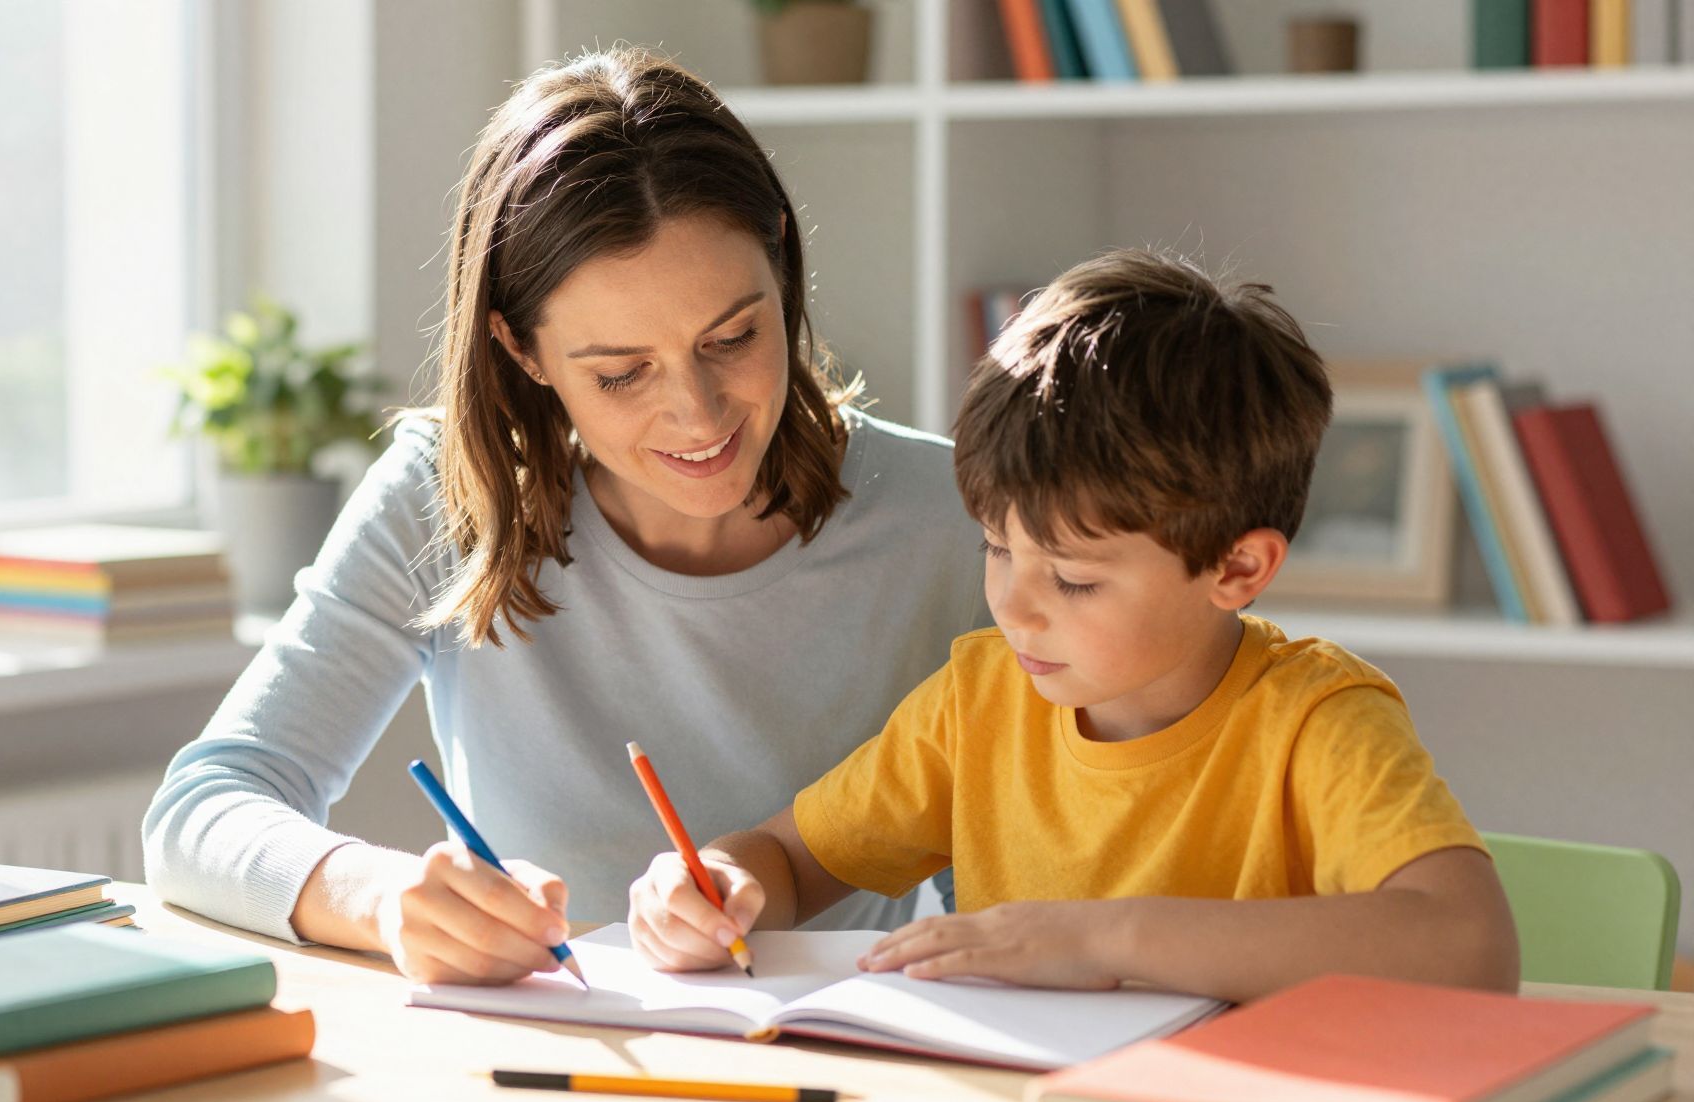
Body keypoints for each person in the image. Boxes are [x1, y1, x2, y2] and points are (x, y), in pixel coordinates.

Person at [142, 47, 989, 986]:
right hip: (543, 1054)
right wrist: (384, 899)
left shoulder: (953, 516)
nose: (698, 414)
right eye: (622, 373)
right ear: (521, 349)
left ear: (782, 268)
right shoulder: (449, 495)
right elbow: (201, 810)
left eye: (733, 337)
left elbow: (1011, 888)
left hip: (830, 1054)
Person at [626, 249, 1521, 1004]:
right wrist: (717, 882)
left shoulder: (1317, 720)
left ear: (1237, 569)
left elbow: (1471, 947)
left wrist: (1107, 939)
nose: (1013, 606)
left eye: (1076, 579)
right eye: (997, 548)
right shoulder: (978, 703)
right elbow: (787, 860)